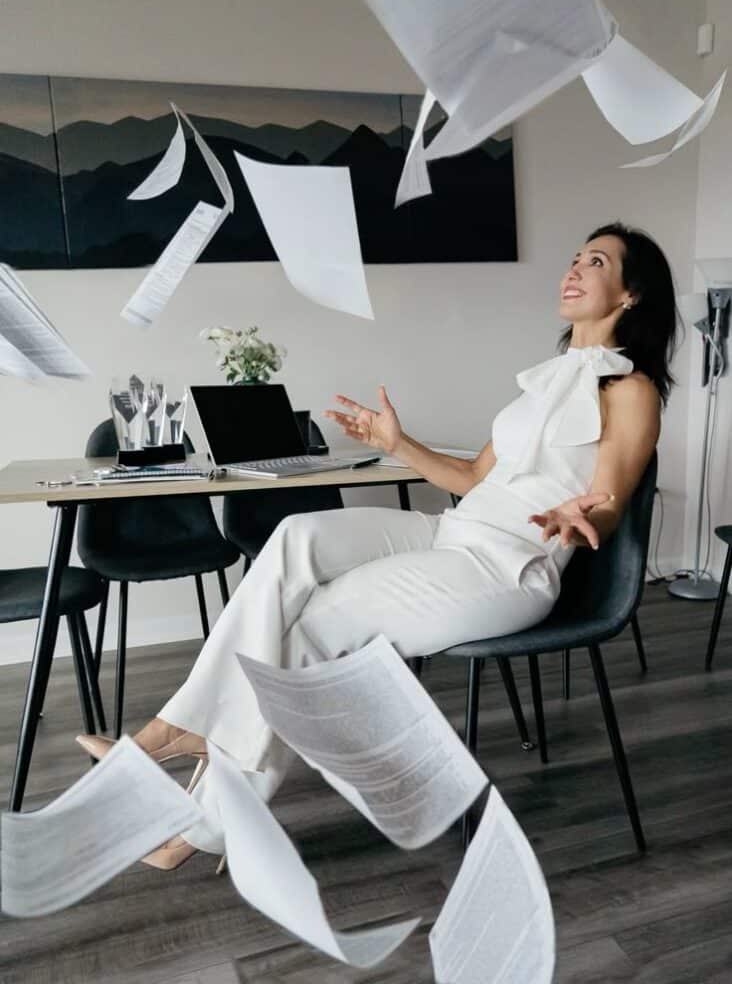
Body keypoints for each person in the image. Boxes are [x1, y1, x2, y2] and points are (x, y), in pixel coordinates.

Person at [77, 221, 677, 869]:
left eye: (596, 261)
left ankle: (188, 808)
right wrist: (398, 444)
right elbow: (471, 478)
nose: (574, 269)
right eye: (574, 257)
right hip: (452, 531)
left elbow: (610, 499)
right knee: (295, 537)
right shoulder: (543, 381)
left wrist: (578, 514)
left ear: (631, 293)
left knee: (310, 629)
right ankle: (178, 741)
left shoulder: (632, 390)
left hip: (507, 565)